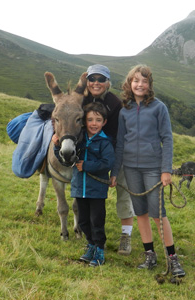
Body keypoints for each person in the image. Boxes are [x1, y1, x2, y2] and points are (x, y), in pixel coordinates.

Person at [113, 64, 184, 277]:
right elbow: (120, 143)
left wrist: (166, 171)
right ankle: (150, 255)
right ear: (129, 83)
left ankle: (172, 259)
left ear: (149, 84)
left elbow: (167, 139)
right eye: (136, 80)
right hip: (131, 169)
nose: (140, 84)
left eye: (144, 81)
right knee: (140, 213)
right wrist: (115, 172)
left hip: (153, 168)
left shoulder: (159, 107)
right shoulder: (124, 109)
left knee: (158, 214)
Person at [81, 64, 134, 255]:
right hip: (87, 154)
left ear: (107, 82)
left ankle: (126, 236)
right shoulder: (80, 98)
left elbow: (117, 136)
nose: (96, 83)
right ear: (87, 81)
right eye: (92, 79)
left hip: (112, 153)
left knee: (123, 193)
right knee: (84, 196)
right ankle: (87, 235)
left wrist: (112, 167)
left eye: (101, 79)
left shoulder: (115, 103)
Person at [72, 103, 115, 267]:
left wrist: (86, 166)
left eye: (98, 120)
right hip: (79, 189)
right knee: (83, 221)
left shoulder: (105, 143)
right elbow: (66, 156)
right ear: (84, 121)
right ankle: (91, 246)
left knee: (96, 221)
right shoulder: (78, 139)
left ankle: (100, 250)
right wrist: (56, 145)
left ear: (104, 122)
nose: (94, 123)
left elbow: (107, 163)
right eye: (90, 119)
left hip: (96, 191)